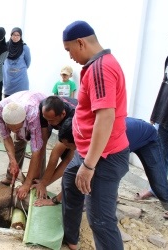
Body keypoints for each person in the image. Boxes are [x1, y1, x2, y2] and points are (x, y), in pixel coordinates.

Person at [43, 117, 168, 249]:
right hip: (116, 139)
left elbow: (107, 173)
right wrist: (56, 200)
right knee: (70, 175)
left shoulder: (100, 142)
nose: (67, 148)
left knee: (158, 184)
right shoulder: (83, 132)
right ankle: (71, 239)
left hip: (146, 138)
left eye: (69, 145)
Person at [61, 20, 130, 250]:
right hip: (89, 152)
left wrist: (89, 166)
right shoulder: (95, 66)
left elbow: (105, 118)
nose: (70, 56)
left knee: (100, 218)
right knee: (70, 181)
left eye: (69, 49)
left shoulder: (101, 68)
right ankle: (70, 239)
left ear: (80, 43)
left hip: (104, 157)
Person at [0, 91, 49, 199]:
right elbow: (6, 137)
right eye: (11, 128)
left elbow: (36, 150)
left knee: (40, 146)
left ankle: (36, 182)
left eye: (18, 128)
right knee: (19, 140)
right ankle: (10, 177)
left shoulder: (33, 114)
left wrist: (27, 183)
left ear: (24, 120)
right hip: (22, 102)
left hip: (39, 106)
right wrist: (12, 160)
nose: (15, 130)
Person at [150, 44, 168, 186]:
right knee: (160, 156)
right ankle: (158, 190)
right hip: (164, 115)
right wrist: (155, 113)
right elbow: (165, 85)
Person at [3, 27, 31, 98]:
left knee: (21, 103)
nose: (15, 37)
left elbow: (28, 63)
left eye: (17, 35)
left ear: (20, 36)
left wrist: (18, 69)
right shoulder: (5, 46)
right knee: (8, 104)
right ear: (11, 35)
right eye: (14, 35)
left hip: (21, 80)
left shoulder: (25, 48)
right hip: (9, 80)